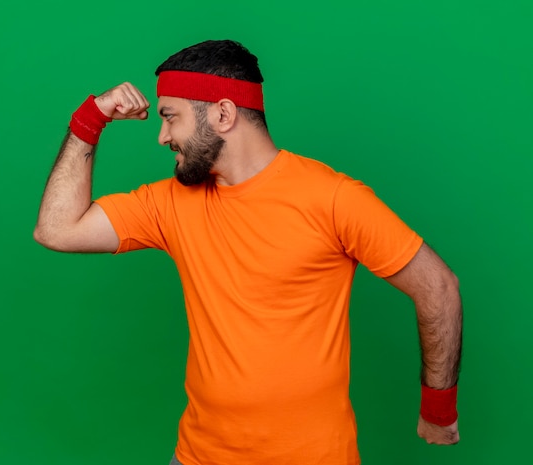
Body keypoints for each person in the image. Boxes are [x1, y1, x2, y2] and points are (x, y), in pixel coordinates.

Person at [34, 40, 462, 465]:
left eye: (170, 118)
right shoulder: (169, 203)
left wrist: (438, 411)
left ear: (223, 113)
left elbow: (437, 286)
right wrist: (92, 117)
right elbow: (57, 230)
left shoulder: (332, 198)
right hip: (198, 456)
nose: (162, 137)